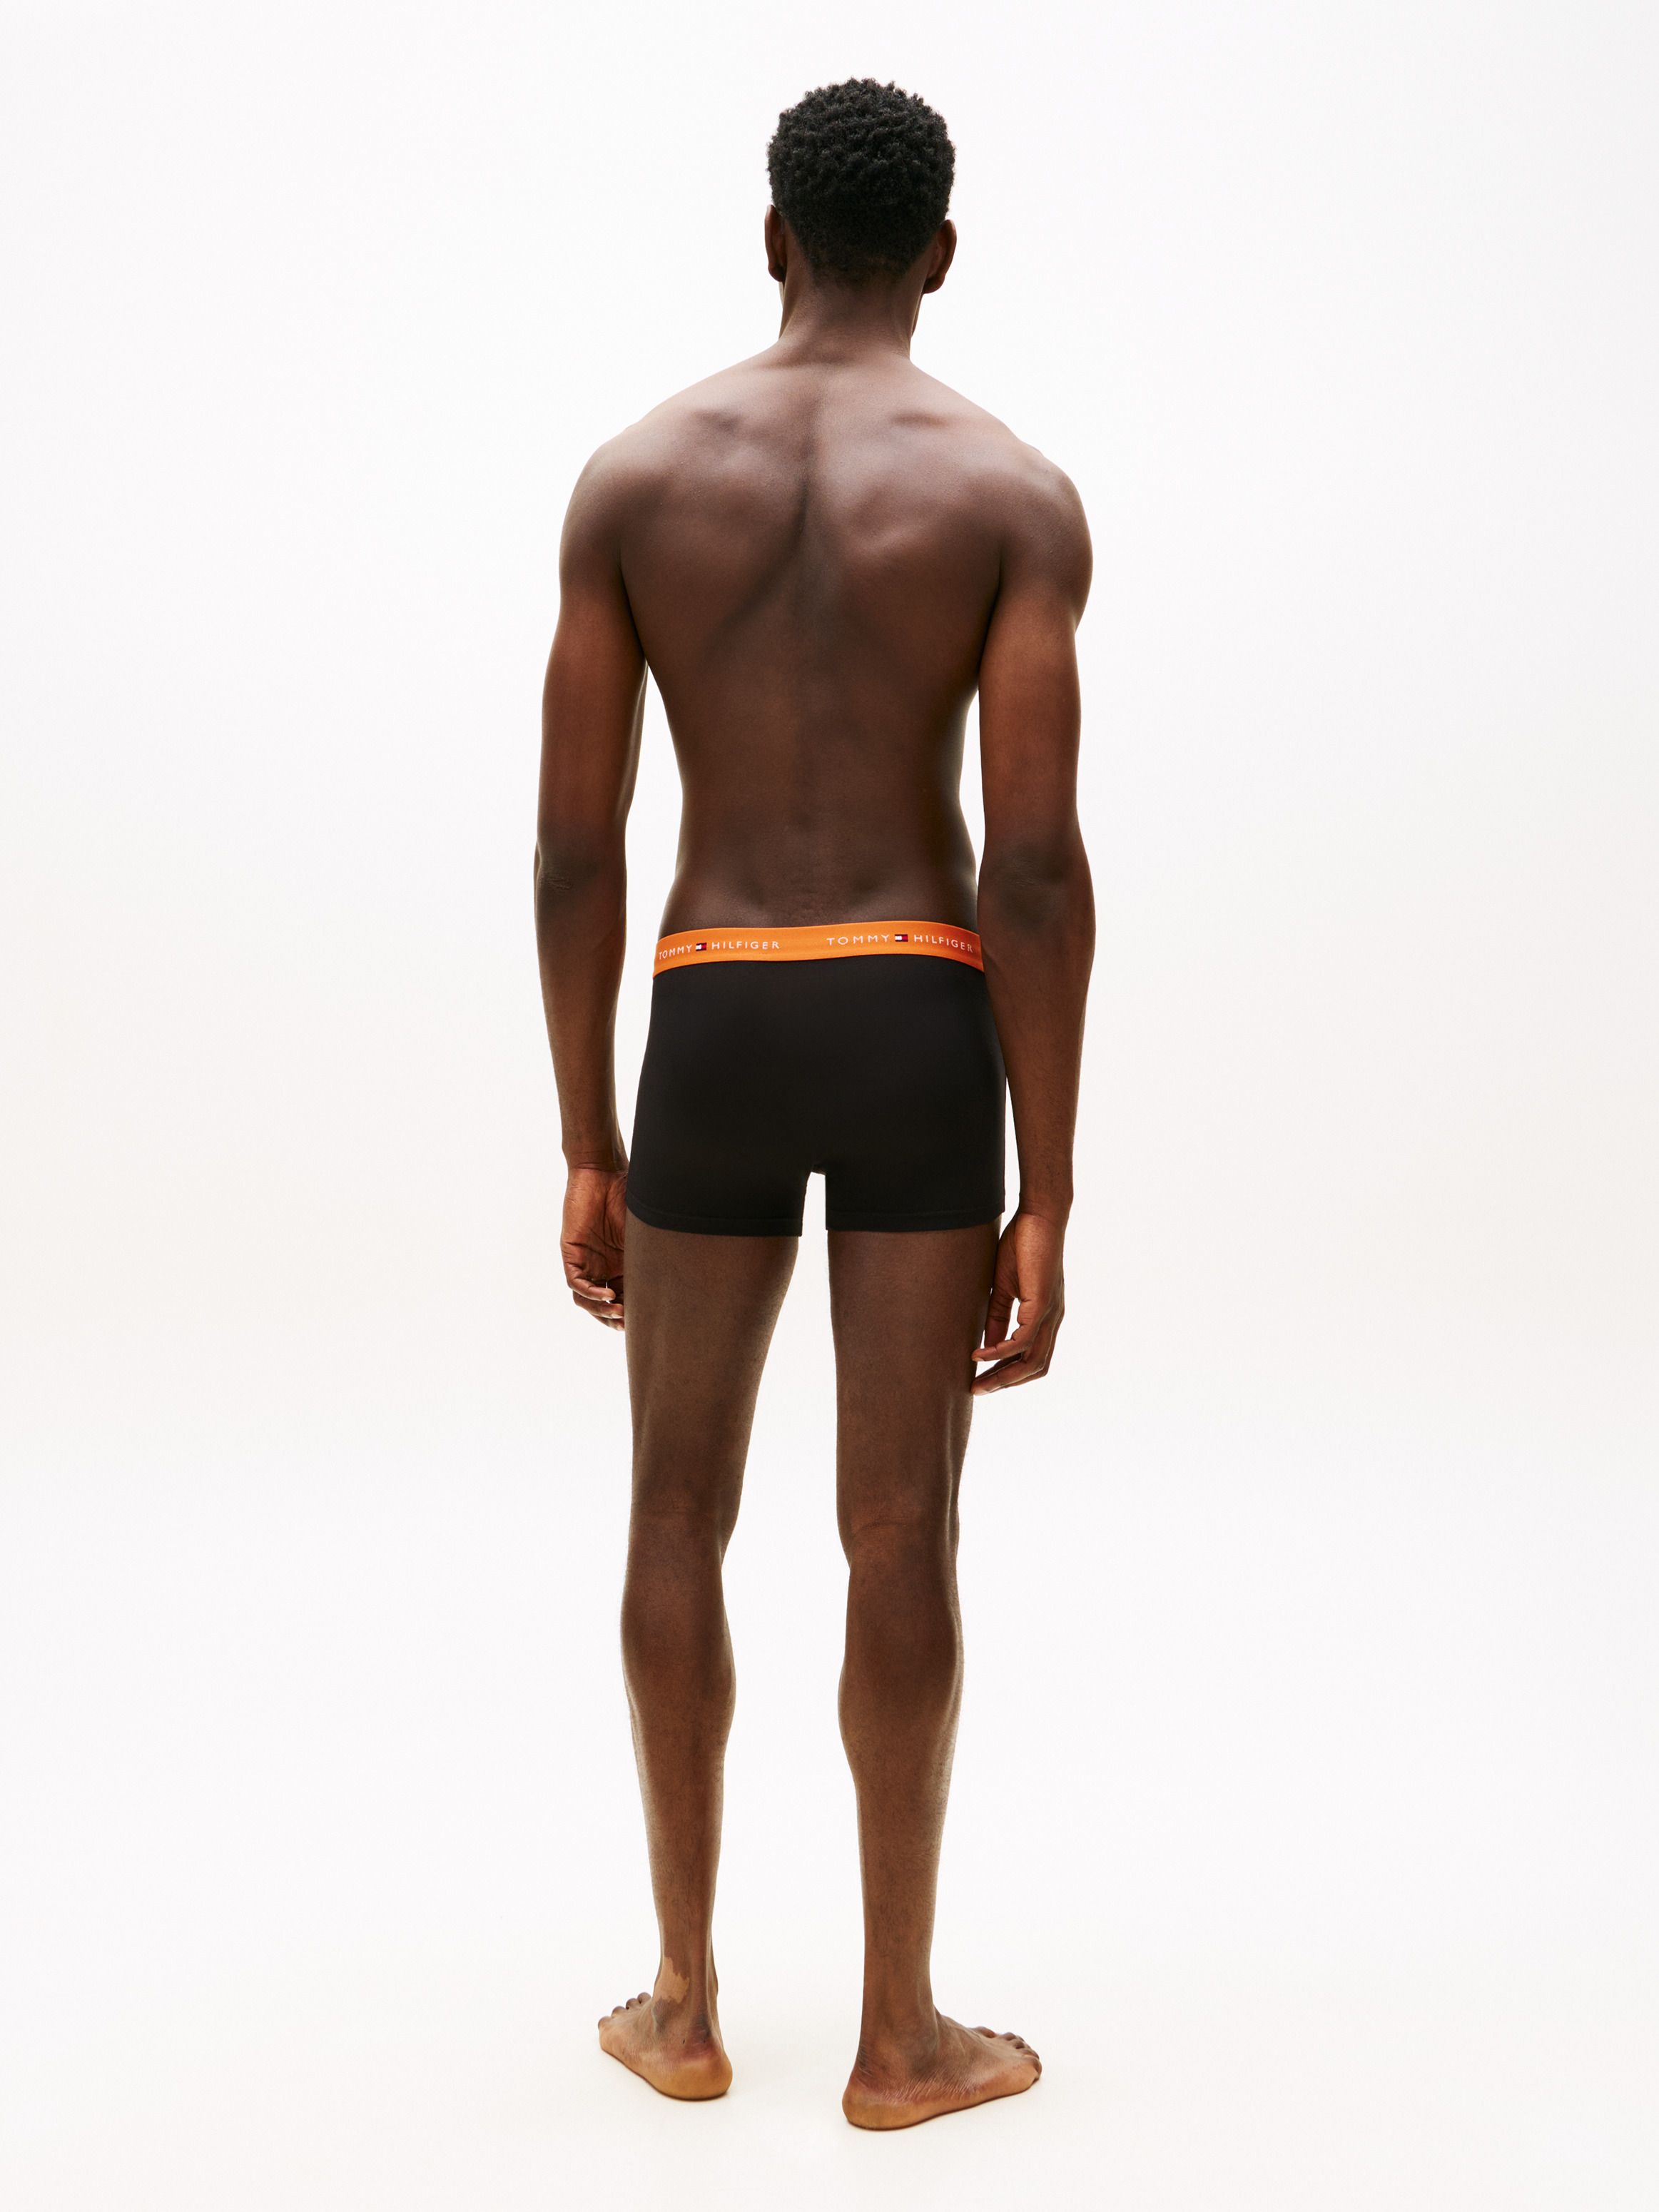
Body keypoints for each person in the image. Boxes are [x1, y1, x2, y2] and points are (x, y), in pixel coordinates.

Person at [534, 77, 1093, 2131]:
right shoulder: (1009, 494)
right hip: (915, 1007)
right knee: (902, 1528)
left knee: (672, 1511)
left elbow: (574, 850)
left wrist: (587, 1132)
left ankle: (683, 2004)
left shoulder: (633, 480)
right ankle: (899, 2036)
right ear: (939, 252)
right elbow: (1034, 866)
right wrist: (1049, 1183)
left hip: (713, 1012)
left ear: (772, 237)